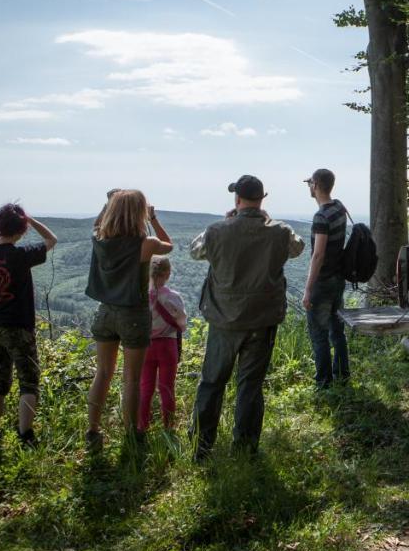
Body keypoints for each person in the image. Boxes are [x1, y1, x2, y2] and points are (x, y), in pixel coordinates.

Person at [189, 175, 304, 460]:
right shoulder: (280, 231)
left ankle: (201, 447)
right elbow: (298, 248)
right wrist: (269, 220)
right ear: (262, 199)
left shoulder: (217, 230)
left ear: (236, 199)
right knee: (250, 385)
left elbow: (195, 251)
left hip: (224, 320)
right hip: (262, 320)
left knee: (212, 382)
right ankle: (245, 449)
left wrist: (228, 222)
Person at [84, 189, 173, 452]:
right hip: (133, 314)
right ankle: (132, 433)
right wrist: (153, 218)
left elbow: (97, 224)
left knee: (103, 373)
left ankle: (92, 431)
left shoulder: (100, 239)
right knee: (132, 378)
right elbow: (168, 246)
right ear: (139, 213)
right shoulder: (145, 244)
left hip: (105, 313)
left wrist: (108, 203)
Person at [0, 203, 58, 444]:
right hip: (18, 325)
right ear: (21, 228)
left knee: (0, 380)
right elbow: (52, 239)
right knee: (28, 380)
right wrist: (32, 220)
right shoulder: (21, 255)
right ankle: (25, 434)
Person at [301, 168, 350, 389]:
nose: (309, 186)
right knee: (336, 330)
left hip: (323, 282)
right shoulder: (339, 208)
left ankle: (324, 382)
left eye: (310, 182)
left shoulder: (321, 217)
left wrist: (308, 288)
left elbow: (318, 254)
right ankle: (343, 374)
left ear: (316, 185)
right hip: (338, 278)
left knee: (319, 334)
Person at [138, 255, 187, 434]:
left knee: (145, 388)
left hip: (146, 347)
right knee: (167, 388)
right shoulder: (174, 297)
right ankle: (169, 428)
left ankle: (142, 427)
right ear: (168, 273)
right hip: (168, 347)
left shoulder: (142, 296)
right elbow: (182, 324)